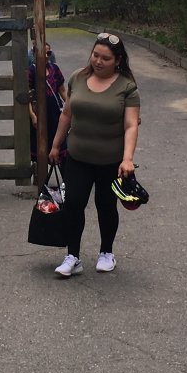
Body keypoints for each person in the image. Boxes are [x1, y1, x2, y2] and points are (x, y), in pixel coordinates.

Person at [48, 32, 140, 277]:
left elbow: (131, 125)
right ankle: (73, 256)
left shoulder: (127, 87)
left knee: (106, 206)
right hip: (77, 157)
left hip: (110, 161)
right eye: (95, 55)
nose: (98, 61)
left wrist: (127, 158)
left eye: (105, 58)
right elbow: (66, 114)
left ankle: (106, 252)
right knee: (73, 204)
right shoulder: (78, 77)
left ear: (117, 60)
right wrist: (56, 145)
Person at [28, 41, 66, 165]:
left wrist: (71, 108)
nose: (45, 56)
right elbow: (27, 97)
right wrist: (33, 116)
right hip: (39, 116)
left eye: (48, 53)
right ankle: (41, 175)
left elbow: (62, 90)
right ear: (34, 53)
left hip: (55, 115)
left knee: (60, 149)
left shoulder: (55, 69)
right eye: (42, 52)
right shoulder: (31, 71)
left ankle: (64, 175)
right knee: (40, 151)